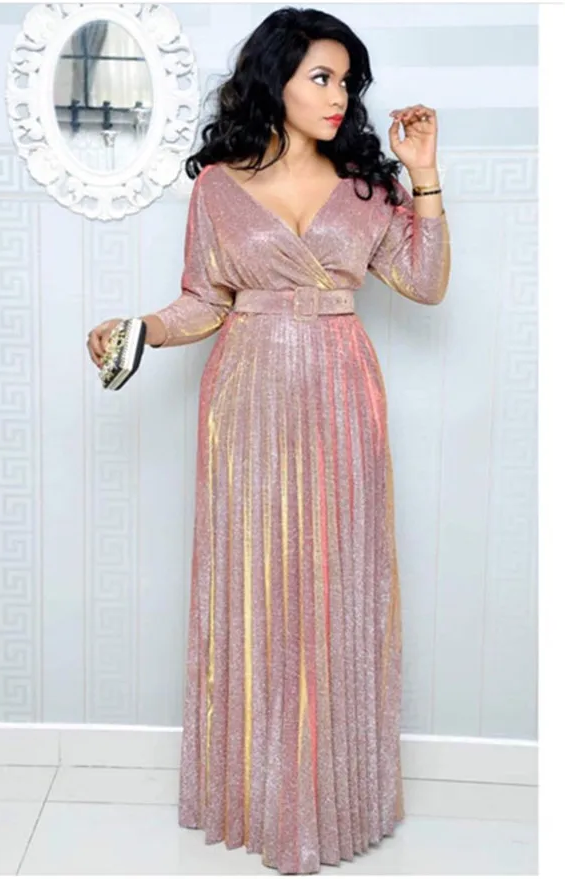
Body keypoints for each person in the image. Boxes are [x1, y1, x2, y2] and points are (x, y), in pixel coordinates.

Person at [86, 7, 450, 874]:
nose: (338, 96)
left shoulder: (369, 186)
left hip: (342, 391)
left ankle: (338, 796)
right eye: (320, 77)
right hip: (244, 397)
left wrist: (425, 176)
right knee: (253, 579)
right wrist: (138, 330)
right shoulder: (218, 185)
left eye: (347, 81)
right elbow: (203, 301)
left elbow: (426, 282)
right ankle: (254, 794)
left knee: (340, 577)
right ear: (275, 79)